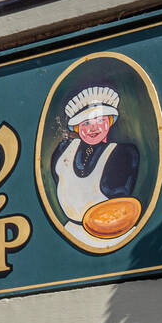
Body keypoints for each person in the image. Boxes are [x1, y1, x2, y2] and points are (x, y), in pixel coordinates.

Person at [50, 84, 140, 237]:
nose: (93, 128)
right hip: (71, 233)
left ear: (110, 122)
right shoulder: (63, 151)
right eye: (86, 123)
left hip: (113, 237)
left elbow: (120, 200)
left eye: (99, 120)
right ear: (77, 127)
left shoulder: (122, 154)